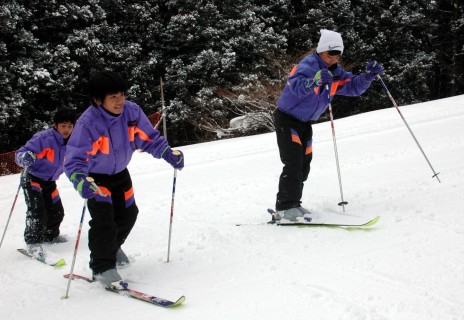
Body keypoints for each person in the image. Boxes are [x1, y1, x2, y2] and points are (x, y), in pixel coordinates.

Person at [64, 70, 184, 288]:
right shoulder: (87, 123)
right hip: (95, 179)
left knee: (129, 214)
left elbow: (149, 138)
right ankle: (101, 267)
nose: (120, 101)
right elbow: (74, 159)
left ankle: (112, 247)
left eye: (122, 95)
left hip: (120, 173)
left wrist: (167, 152)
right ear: (98, 100)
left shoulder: (132, 112)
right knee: (104, 222)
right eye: (113, 97)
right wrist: (80, 179)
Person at [274, 29, 383, 221]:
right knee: (293, 162)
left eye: (338, 54)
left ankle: (293, 203)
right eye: (331, 53)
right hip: (287, 119)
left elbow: (352, 87)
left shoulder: (336, 72)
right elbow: (295, 87)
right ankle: (283, 208)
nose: (334, 58)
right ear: (321, 51)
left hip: (305, 122)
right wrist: (315, 81)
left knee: (304, 165)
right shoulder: (307, 66)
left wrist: (368, 76)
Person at [15, 109, 77, 259]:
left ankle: (50, 235)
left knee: (57, 211)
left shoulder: (74, 141)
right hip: (33, 178)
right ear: (55, 125)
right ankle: (33, 243)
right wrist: (25, 157)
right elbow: (19, 154)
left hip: (50, 181)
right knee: (37, 211)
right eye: (63, 126)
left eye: (70, 126)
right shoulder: (43, 138)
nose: (67, 129)